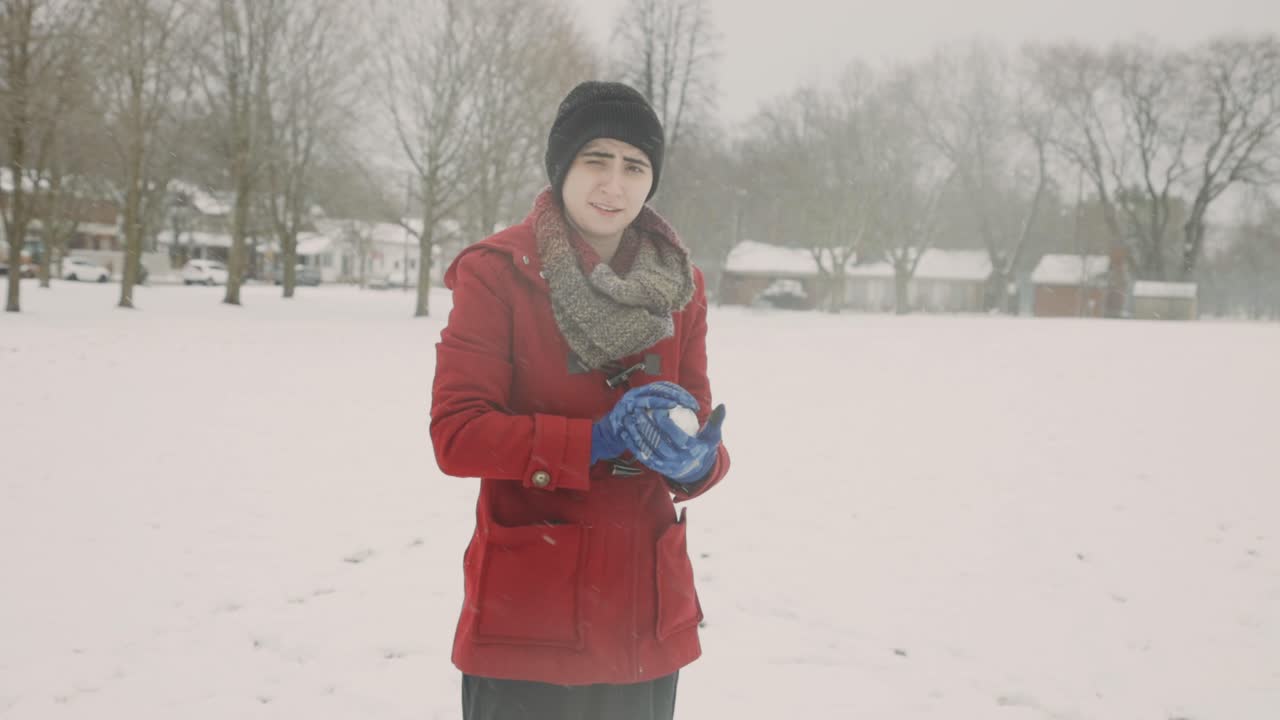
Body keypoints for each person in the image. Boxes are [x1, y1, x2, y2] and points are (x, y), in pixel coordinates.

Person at [430, 81, 731, 720]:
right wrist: (591, 441)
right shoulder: (498, 272)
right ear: (562, 166)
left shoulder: (682, 284)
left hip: (642, 622)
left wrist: (696, 463)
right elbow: (456, 435)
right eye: (596, 159)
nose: (613, 185)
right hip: (531, 619)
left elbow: (697, 416)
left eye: (634, 166)